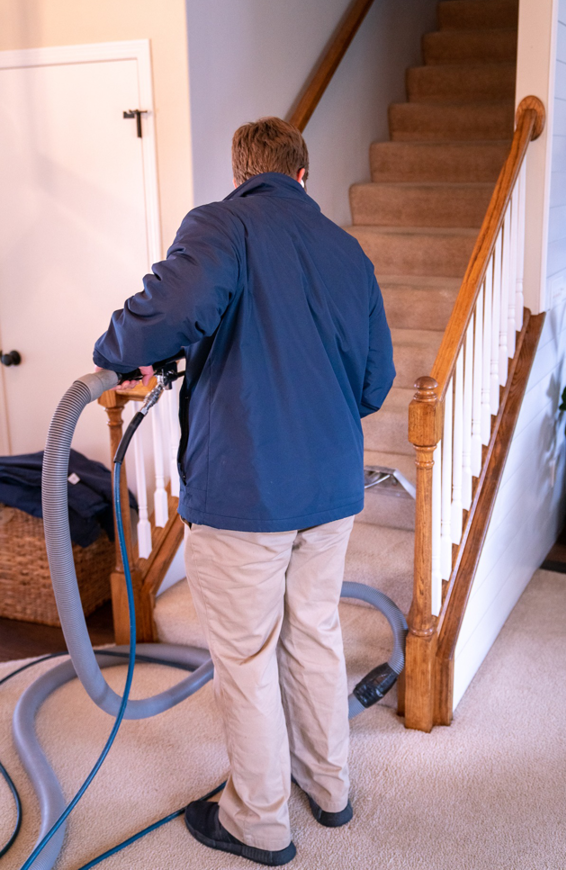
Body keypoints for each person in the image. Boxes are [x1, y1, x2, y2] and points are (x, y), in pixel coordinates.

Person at [93, 116, 395, 866]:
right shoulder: (348, 251)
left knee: (248, 657)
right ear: (302, 175)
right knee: (316, 633)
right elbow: (374, 382)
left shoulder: (222, 225)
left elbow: (164, 315)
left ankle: (259, 822)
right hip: (330, 490)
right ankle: (329, 788)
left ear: (241, 174)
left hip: (246, 495)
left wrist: (113, 352)